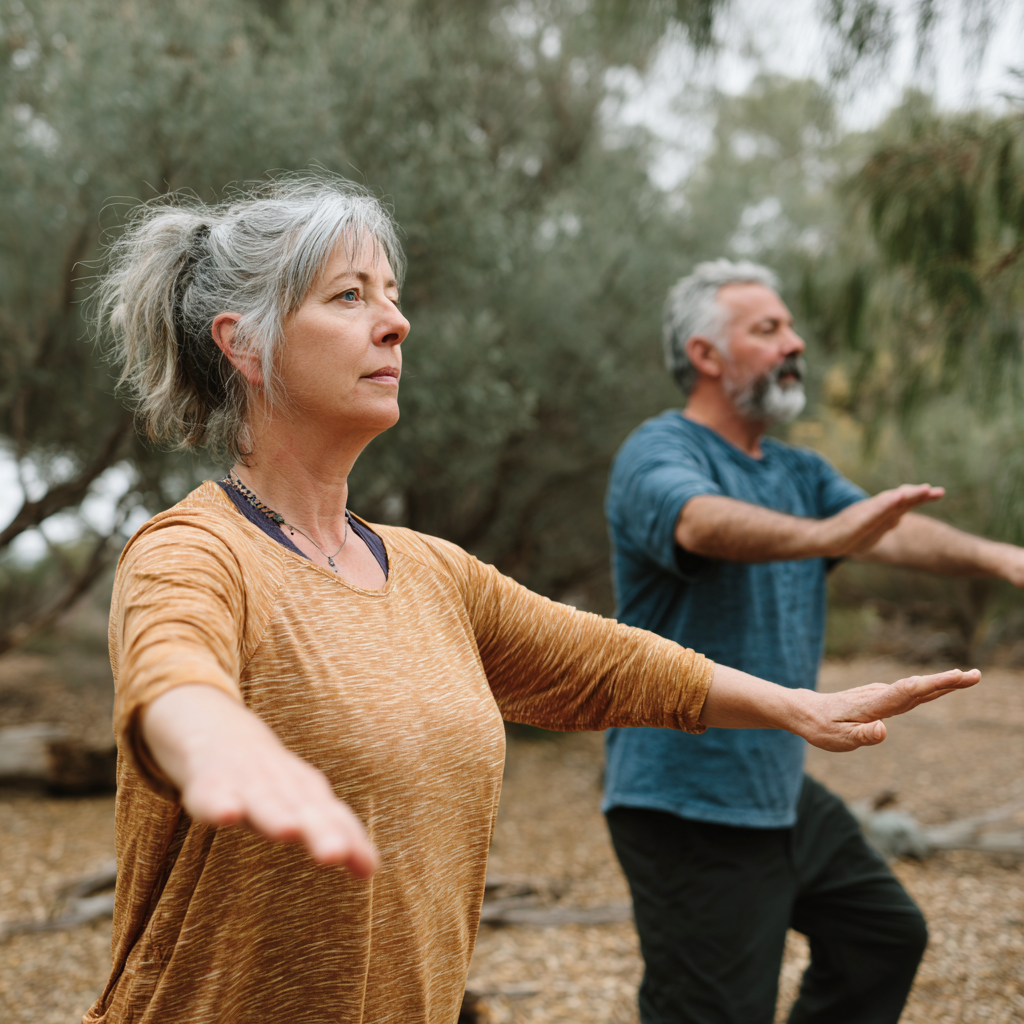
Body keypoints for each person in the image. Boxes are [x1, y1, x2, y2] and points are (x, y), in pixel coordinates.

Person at [84, 182, 978, 1024]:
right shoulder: (196, 551)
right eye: (349, 296)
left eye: (390, 294)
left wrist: (796, 707)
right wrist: (212, 737)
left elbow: (609, 664)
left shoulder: (433, 572)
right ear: (246, 344)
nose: (395, 323)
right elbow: (173, 669)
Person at [603, 258, 1024, 1024]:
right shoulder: (660, 452)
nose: (795, 342)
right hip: (686, 799)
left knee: (883, 937)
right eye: (769, 330)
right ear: (706, 355)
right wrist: (829, 533)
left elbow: (893, 536)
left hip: (777, 788)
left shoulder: (797, 471)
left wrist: (1004, 559)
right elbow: (698, 521)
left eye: (791, 327)